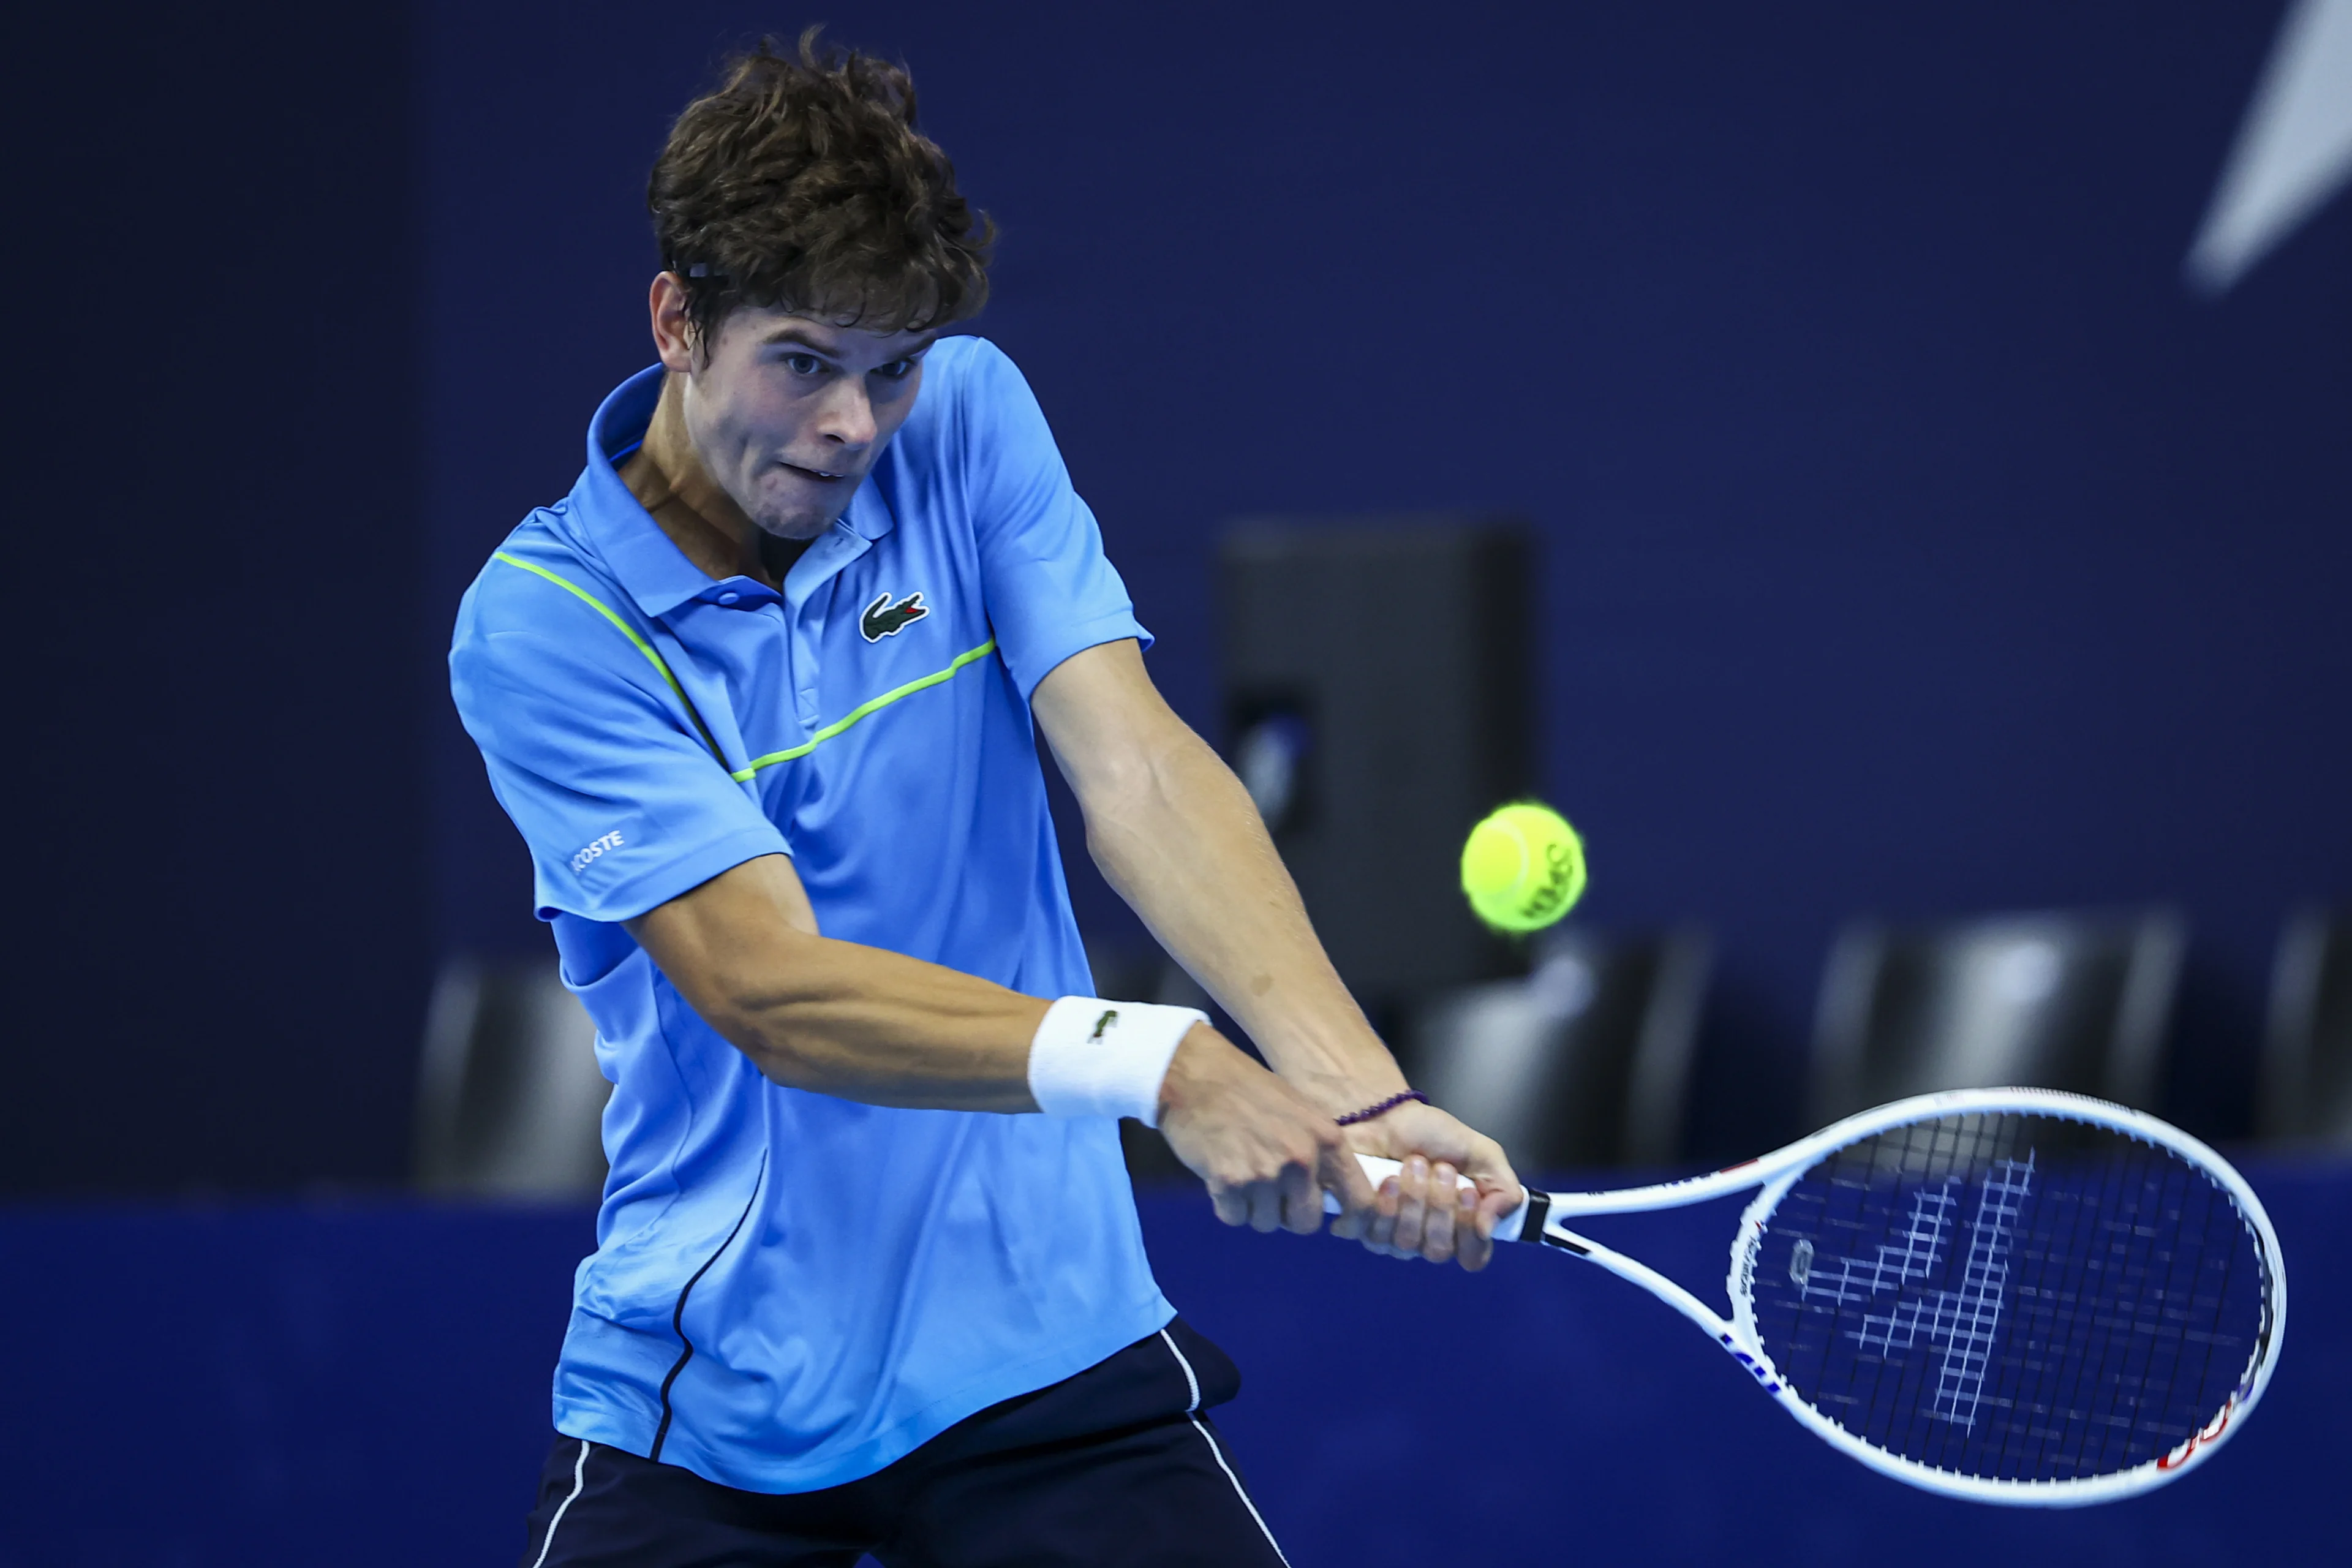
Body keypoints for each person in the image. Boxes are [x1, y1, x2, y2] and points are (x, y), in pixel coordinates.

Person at [451, 31, 1521, 1568]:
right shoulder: (547, 623)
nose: (854, 426)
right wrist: (1160, 1062)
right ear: (677, 321)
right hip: (723, 1398)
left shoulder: (966, 417)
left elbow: (1134, 765)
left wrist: (1350, 1090)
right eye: (804, 361)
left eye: (890, 370)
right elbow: (772, 990)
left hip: (1043, 1336)